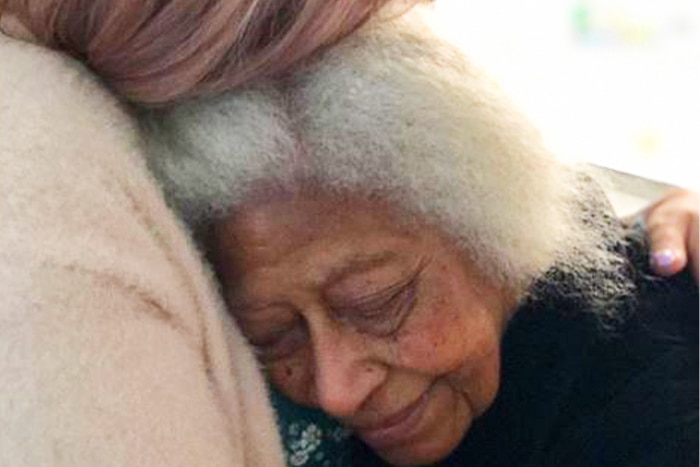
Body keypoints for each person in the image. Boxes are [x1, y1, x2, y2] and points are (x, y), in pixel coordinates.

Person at [0, 2, 697, 467]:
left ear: (497, 225)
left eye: (378, 302)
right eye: (273, 337)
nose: (335, 390)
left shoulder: (652, 414)